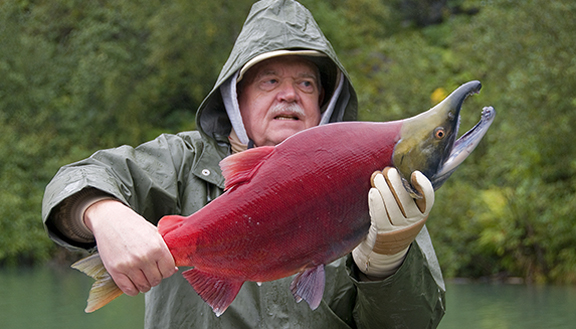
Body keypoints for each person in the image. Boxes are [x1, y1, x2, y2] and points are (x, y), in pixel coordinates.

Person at [42, 0, 446, 328]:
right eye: (269, 81)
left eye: (306, 83)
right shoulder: (181, 161)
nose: (290, 95)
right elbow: (77, 178)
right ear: (237, 100)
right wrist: (101, 211)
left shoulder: (380, 185)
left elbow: (414, 322)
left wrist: (388, 263)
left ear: (325, 101)